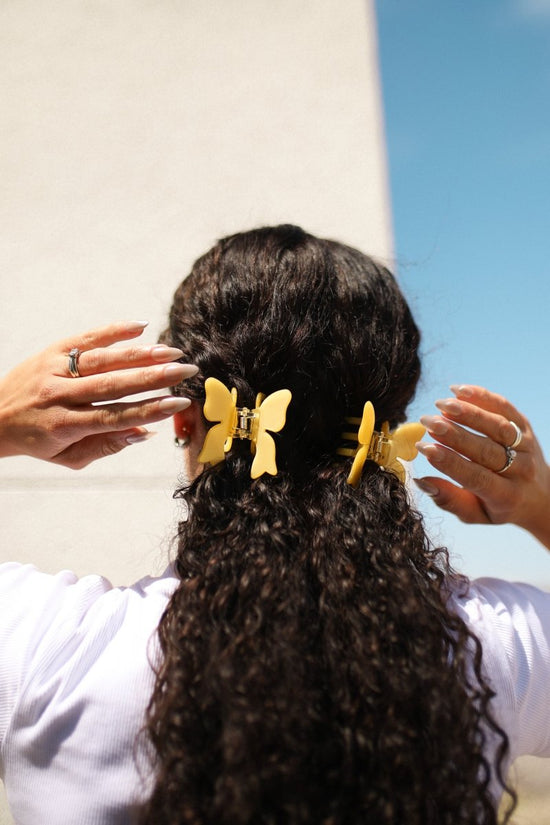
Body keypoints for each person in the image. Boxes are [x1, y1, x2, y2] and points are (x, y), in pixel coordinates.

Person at [0, 225, 549, 825]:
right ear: (387, 431)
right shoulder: (500, 652)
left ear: (185, 418)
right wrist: (539, 508)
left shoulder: (46, 648)